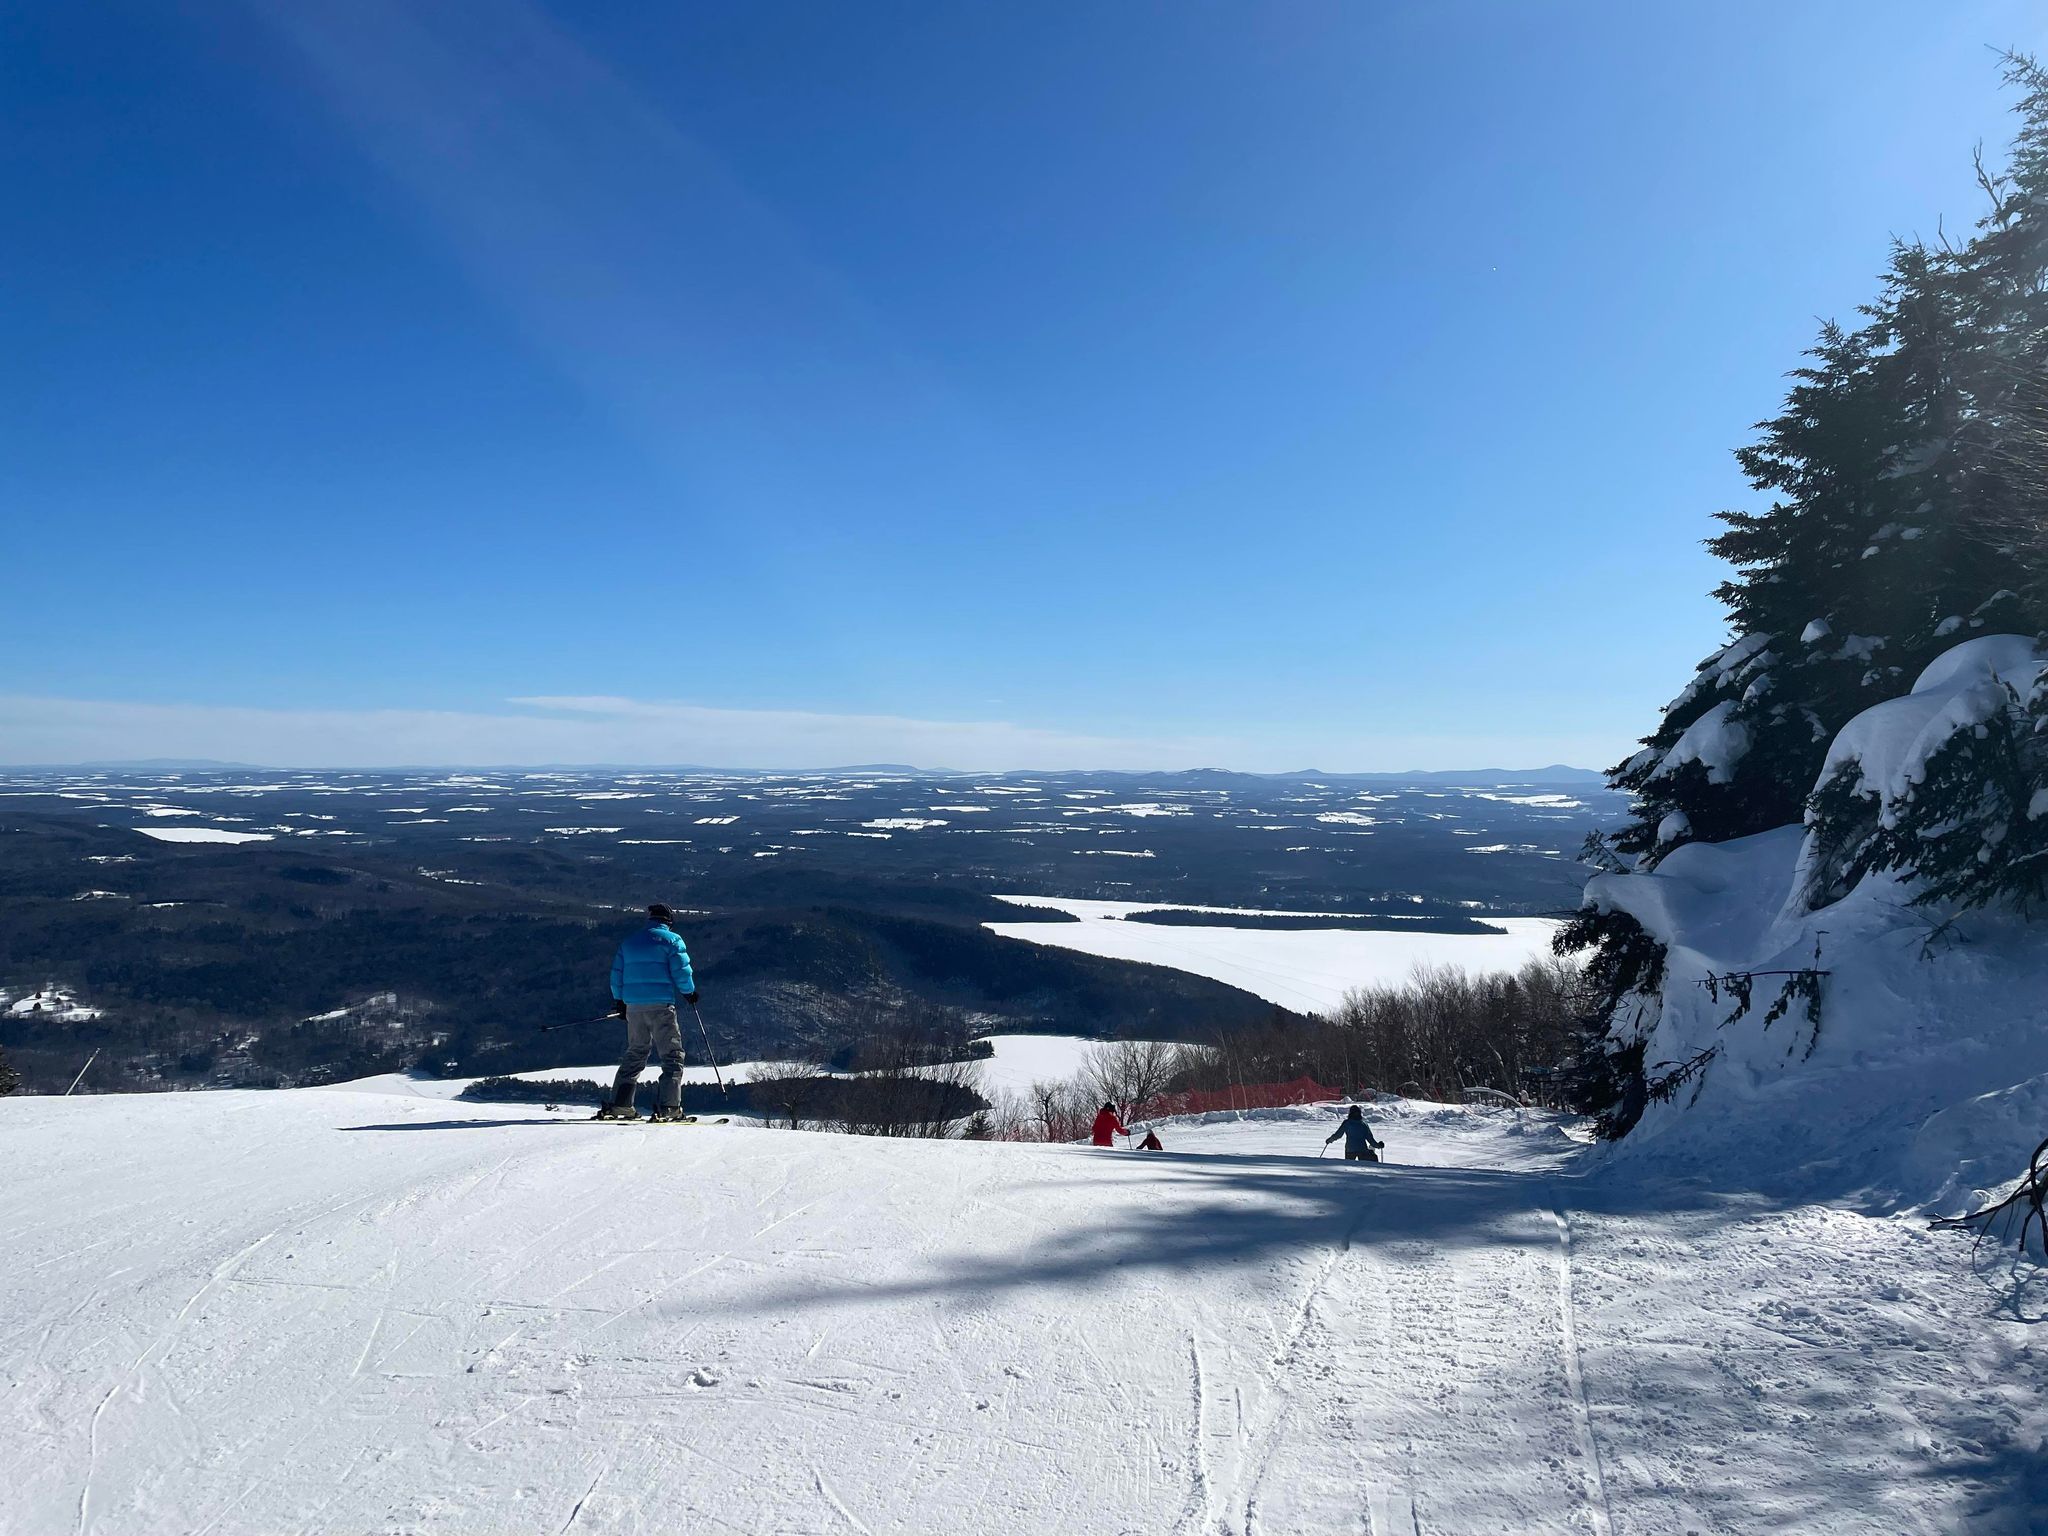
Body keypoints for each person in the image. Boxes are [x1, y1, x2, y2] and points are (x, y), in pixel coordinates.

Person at [594, 903, 698, 1122]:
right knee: (672, 1055)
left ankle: (621, 1104)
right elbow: (681, 970)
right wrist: (689, 993)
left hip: (633, 1007)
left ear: (650, 919)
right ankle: (670, 1107)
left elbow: (617, 975)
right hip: (661, 1006)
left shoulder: (629, 942)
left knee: (636, 1052)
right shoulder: (672, 940)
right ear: (669, 920)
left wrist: (620, 1002)